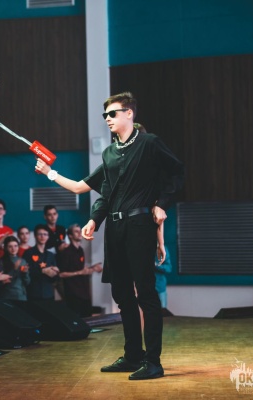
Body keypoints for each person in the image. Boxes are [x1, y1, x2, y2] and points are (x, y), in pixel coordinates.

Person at [75, 92, 183, 380]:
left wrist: (162, 203)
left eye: (112, 113)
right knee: (122, 294)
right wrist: (94, 220)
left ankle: (153, 362)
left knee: (146, 292)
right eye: (105, 115)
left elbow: (177, 172)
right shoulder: (109, 153)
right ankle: (133, 355)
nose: (108, 119)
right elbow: (106, 194)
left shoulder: (149, 143)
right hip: (115, 228)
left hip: (139, 224)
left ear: (129, 114)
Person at [58, 224, 102, 317]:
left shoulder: (80, 250)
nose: (80, 233)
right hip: (73, 292)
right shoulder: (66, 252)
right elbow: (61, 274)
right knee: (77, 318)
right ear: (70, 235)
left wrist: (93, 268)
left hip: (84, 290)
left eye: (80, 231)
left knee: (87, 317)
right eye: (76, 231)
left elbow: (81, 269)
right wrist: (80, 272)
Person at [22, 224, 60, 301]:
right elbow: (25, 273)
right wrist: (43, 271)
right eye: (40, 234)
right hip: (33, 293)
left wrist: (56, 272)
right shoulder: (28, 253)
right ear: (35, 236)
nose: (42, 236)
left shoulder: (51, 255)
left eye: (45, 234)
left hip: (49, 293)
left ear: (48, 237)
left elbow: (54, 278)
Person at [0, 236, 29, 301]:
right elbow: (0, 282)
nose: (13, 249)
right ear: (5, 248)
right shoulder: (1, 262)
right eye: (10, 246)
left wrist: (25, 273)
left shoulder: (22, 261)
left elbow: (27, 282)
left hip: (21, 295)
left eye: (15, 246)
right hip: (7, 295)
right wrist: (14, 269)